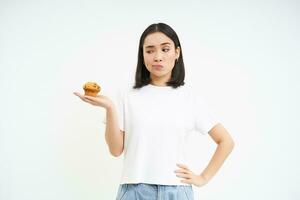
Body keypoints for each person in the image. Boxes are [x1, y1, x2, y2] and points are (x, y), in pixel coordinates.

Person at [74, 22, 235, 200]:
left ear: (177, 53)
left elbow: (226, 141)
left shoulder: (190, 99)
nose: (157, 57)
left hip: (177, 191)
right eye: (150, 51)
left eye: (165, 49)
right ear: (142, 55)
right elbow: (115, 150)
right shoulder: (126, 95)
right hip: (134, 191)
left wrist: (203, 178)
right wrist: (110, 108)